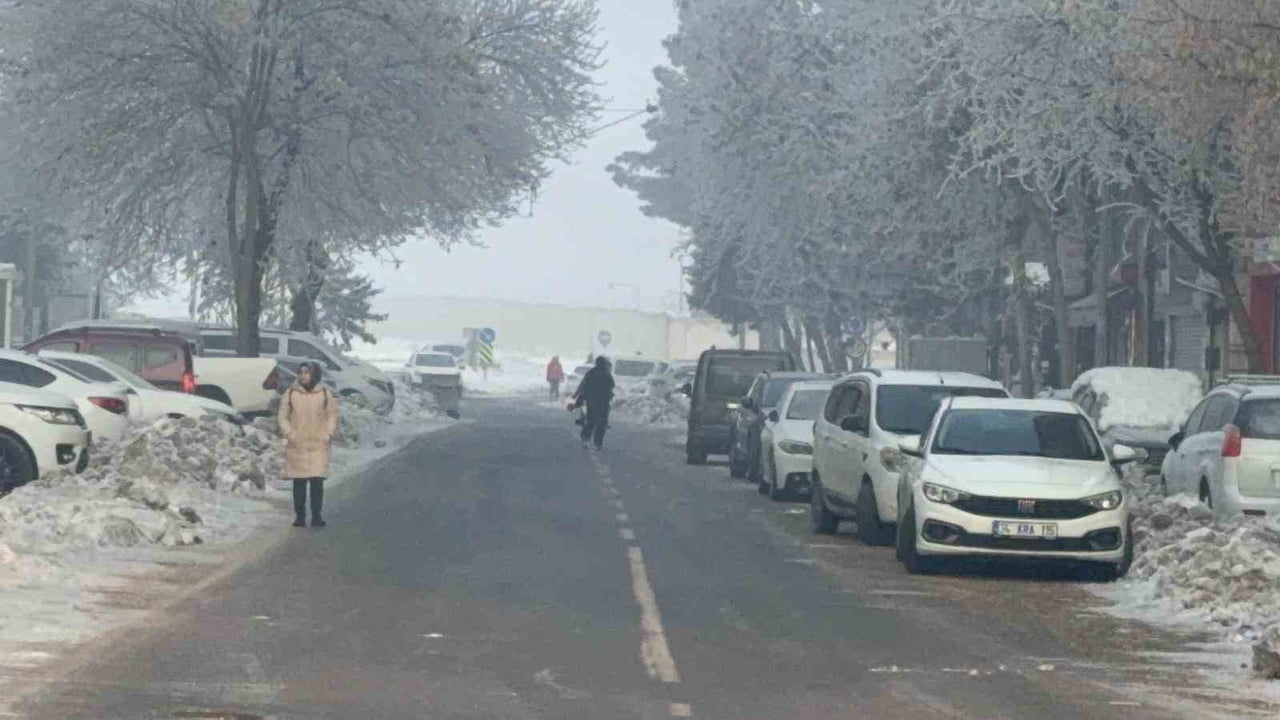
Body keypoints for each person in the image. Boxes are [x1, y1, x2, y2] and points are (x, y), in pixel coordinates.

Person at [278, 361, 339, 528]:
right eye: (300, 372)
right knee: (299, 482)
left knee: (316, 482)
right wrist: (289, 433)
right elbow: (282, 415)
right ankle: (300, 517)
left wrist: (328, 433)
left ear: (314, 374)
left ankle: (317, 516)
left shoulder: (324, 394)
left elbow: (332, 415)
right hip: (298, 444)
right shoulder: (291, 394)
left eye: (306, 372)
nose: (303, 375)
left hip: (319, 444)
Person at [571, 356, 615, 450]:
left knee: (591, 421)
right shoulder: (606, 374)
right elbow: (611, 385)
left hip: (592, 402)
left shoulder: (591, 373)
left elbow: (584, 386)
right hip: (603, 402)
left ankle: (585, 439)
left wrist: (578, 397)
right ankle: (598, 443)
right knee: (601, 423)